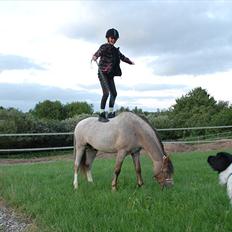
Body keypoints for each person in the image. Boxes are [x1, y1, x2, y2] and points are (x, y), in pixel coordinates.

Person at [91, 28, 135, 122]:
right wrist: (95, 56)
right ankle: (101, 114)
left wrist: (130, 62)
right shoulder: (104, 46)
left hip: (110, 75)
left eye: (115, 39)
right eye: (111, 38)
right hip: (102, 73)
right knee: (106, 93)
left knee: (114, 93)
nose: (113, 40)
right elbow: (99, 52)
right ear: (108, 38)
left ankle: (111, 113)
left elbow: (122, 57)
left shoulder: (116, 51)